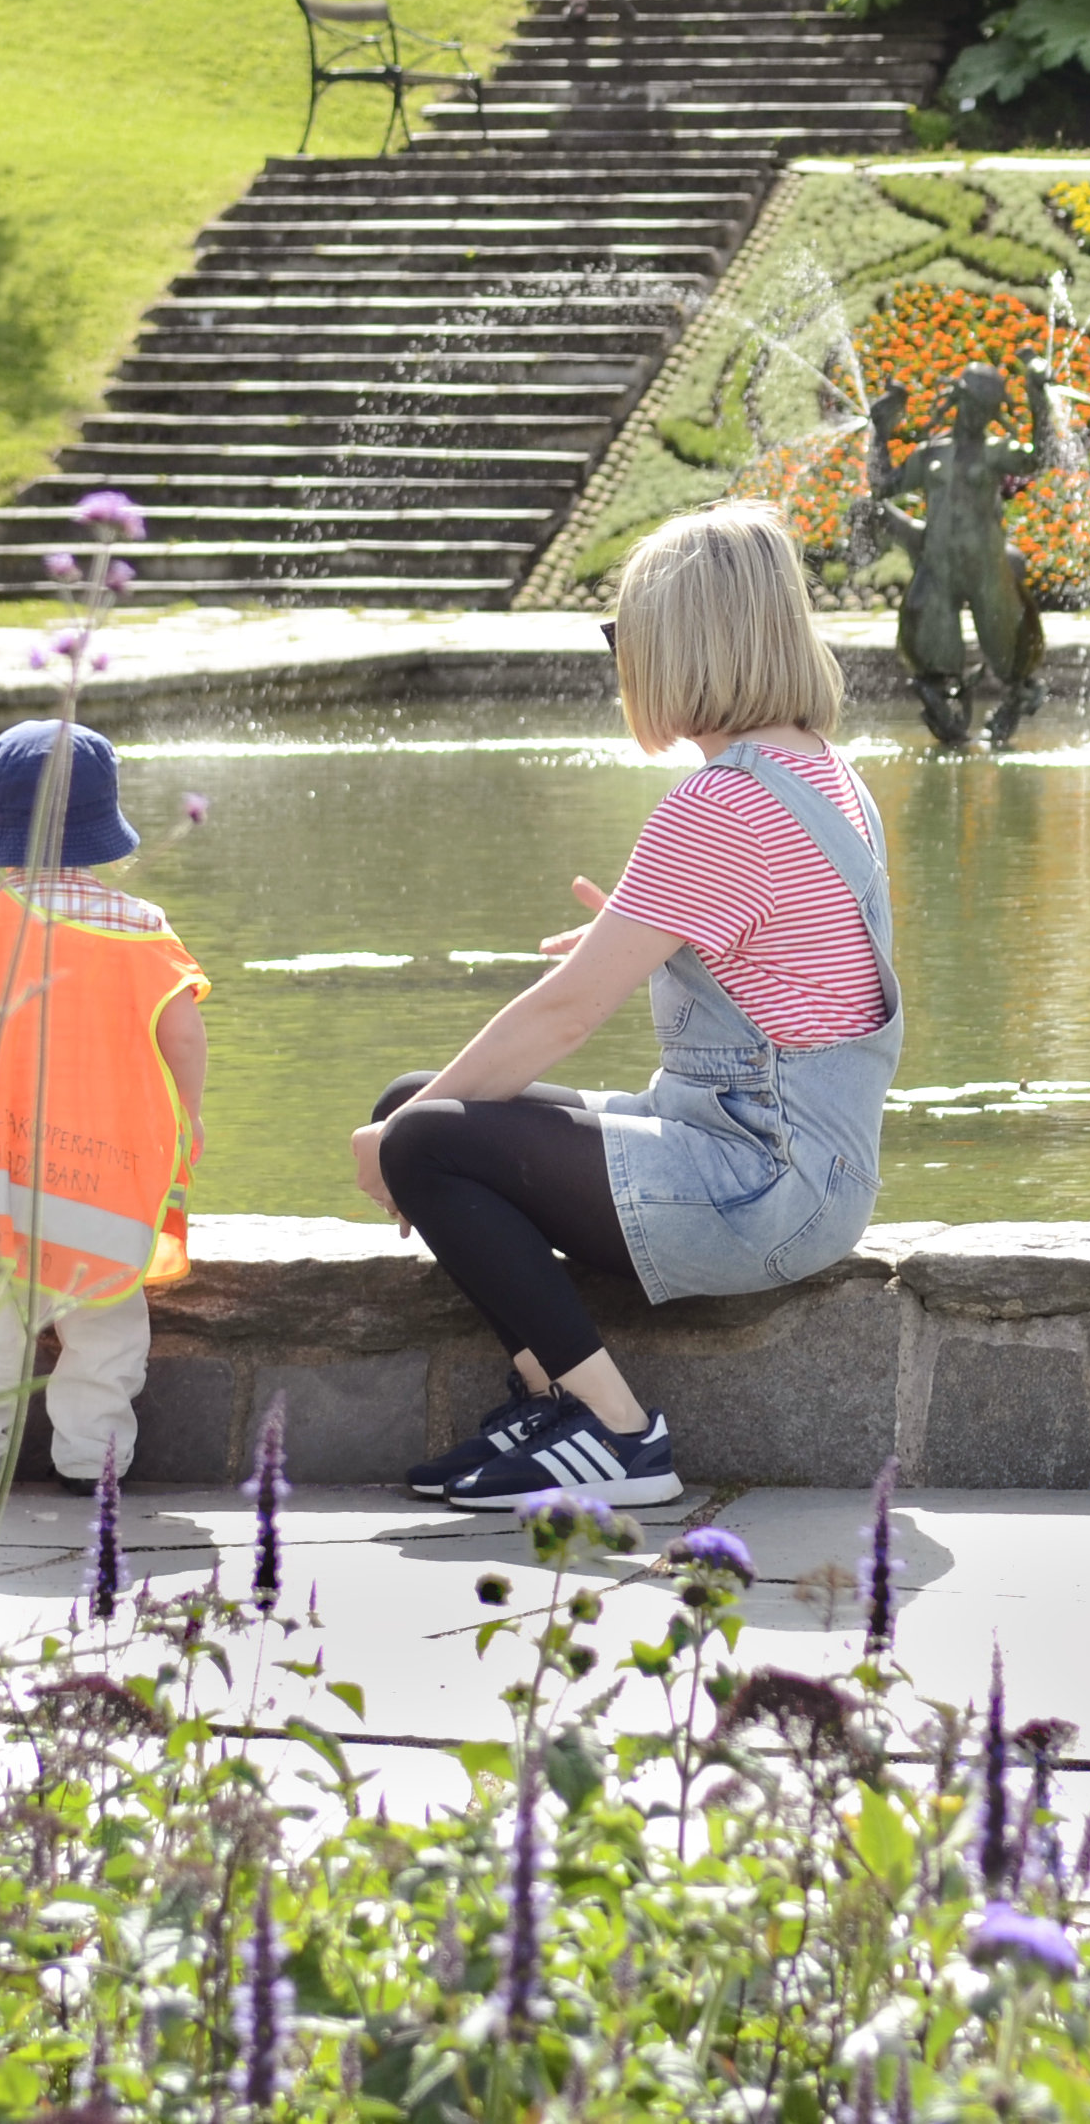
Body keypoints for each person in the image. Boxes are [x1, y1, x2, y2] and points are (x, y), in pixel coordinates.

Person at [358, 498, 899, 1510]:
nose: (619, 662)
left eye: (625, 637)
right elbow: (792, 965)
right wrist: (653, 937)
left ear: (685, 646)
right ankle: (549, 1395)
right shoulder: (820, 773)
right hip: (793, 1163)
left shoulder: (721, 804)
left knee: (417, 1140)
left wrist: (378, 1149)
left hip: (761, 1185)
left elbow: (561, 1017)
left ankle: (618, 1435)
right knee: (411, 1103)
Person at [0, 719, 210, 1497]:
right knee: (107, 1333)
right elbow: (182, 1034)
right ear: (105, 834)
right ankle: (92, 1461)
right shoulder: (146, 930)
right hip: (108, 1186)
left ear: (2, 841)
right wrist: (192, 1115)